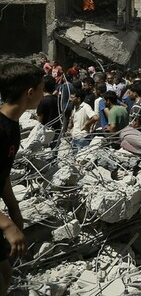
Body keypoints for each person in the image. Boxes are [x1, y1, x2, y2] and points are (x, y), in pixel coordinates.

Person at [0, 62, 44, 294]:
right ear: (30, 92)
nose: (44, 94)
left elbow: (2, 173)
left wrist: (13, 209)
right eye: (42, 89)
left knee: (5, 274)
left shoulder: (12, 126)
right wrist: (7, 225)